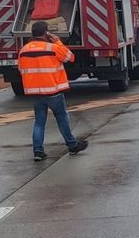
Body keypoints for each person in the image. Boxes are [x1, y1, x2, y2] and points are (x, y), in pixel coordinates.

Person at [19, 21, 89, 161]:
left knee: (39, 121)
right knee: (62, 118)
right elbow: (70, 57)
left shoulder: (23, 51)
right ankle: (72, 145)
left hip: (35, 93)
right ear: (46, 33)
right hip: (53, 92)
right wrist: (58, 42)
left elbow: (22, 70)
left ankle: (38, 151)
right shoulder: (53, 48)